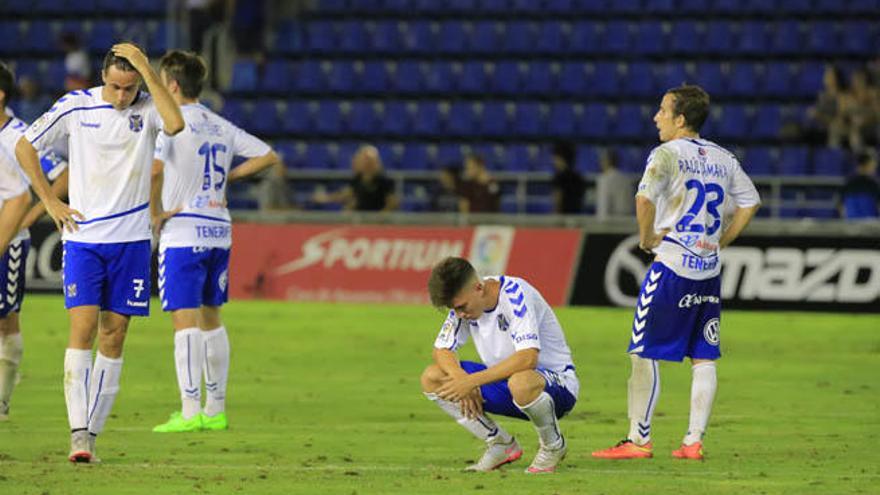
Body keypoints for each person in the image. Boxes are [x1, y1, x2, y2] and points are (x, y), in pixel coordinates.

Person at [15, 43, 184, 463]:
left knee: (115, 333)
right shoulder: (75, 107)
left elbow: (176, 124)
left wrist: (147, 69)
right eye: (115, 86)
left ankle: (93, 430)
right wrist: (51, 203)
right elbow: (24, 145)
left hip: (130, 240)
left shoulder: (147, 108)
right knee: (84, 328)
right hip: (84, 238)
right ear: (102, 77)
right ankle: (78, 435)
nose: (123, 96)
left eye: (130, 88)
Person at [592, 85, 760, 461]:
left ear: (680, 119)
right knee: (704, 355)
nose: (656, 117)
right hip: (708, 268)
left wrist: (647, 237)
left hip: (671, 265)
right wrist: (722, 242)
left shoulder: (666, 154)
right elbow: (750, 203)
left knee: (642, 350)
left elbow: (643, 198)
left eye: (662, 111)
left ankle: (638, 439)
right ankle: (692, 442)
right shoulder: (723, 157)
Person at [149, 50, 280, 433]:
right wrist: (230, 179)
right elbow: (268, 156)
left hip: (184, 229)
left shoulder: (169, 125)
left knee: (184, 320)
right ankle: (216, 409)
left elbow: (156, 171)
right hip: (219, 230)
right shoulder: (219, 124)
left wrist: (155, 212)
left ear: (172, 85)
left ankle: (190, 413)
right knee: (212, 317)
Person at [421, 257, 579, 473]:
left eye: (461, 307)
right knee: (433, 377)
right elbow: (441, 350)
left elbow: (527, 358)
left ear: (479, 287)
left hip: (553, 386)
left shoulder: (515, 294)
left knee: (521, 381)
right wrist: (460, 378)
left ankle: (553, 446)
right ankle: (500, 444)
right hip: (505, 386)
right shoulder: (465, 304)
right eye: (454, 309)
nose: (459, 314)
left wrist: (471, 381)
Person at [0, 63, 34, 422]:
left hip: (8, 243)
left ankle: (2, 400)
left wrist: (30, 216)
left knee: (6, 320)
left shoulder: (19, 137)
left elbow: (63, 172)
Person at [313, 145, 398, 212]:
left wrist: (381, 217)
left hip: (378, 221)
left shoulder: (384, 180)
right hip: (361, 218)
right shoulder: (358, 178)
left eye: (368, 160)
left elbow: (392, 203)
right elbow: (346, 194)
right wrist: (326, 198)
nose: (362, 162)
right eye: (362, 159)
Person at [595, 149, 635, 219]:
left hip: (611, 224)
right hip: (627, 223)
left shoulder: (604, 179)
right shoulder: (627, 179)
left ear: (606, 161)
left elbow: (603, 208)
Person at [840, 151, 880, 219]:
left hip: (851, 225)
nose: (874, 169)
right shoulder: (874, 185)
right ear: (866, 165)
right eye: (873, 166)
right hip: (870, 226)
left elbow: (841, 208)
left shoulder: (848, 184)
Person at [550, 142, 586, 214]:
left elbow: (558, 201)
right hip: (576, 217)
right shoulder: (579, 177)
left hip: (563, 219)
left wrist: (555, 216)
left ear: (561, 158)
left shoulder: (559, 177)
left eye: (555, 158)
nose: (553, 161)